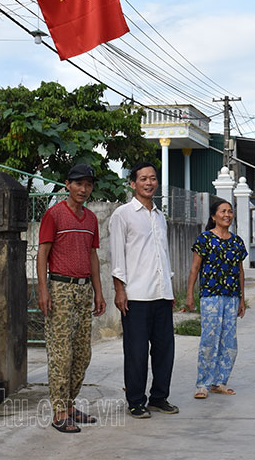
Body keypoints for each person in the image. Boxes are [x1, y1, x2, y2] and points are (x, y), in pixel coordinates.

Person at [36, 163, 107, 434]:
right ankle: (59, 412)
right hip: (60, 289)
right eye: (79, 184)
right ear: (68, 185)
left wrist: (99, 292)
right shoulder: (53, 215)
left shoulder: (90, 219)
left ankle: (70, 403)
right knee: (60, 353)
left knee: (82, 353)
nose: (84, 189)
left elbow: (92, 256)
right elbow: (43, 253)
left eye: (88, 185)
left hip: (84, 288)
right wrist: (43, 290)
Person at [109, 162, 178, 418]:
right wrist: (119, 291)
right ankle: (136, 400)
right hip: (135, 296)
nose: (149, 183)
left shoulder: (160, 216)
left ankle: (159, 397)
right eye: (143, 179)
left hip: (162, 295)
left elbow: (164, 256)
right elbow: (117, 257)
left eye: (153, 178)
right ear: (132, 183)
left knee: (164, 351)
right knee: (136, 353)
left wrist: (168, 288)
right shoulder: (123, 214)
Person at [185, 199, 247, 399]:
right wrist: (189, 295)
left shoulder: (237, 242)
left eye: (230, 211)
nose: (227, 215)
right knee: (209, 339)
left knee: (229, 341)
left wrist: (242, 299)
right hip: (210, 296)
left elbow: (240, 272)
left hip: (231, 297)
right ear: (213, 216)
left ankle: (220, 381)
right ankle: (202, 383)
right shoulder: (204, 239)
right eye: (223, 211)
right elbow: (195, 268)